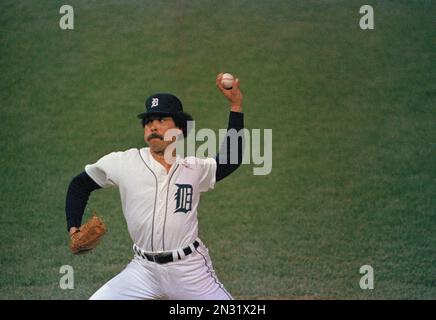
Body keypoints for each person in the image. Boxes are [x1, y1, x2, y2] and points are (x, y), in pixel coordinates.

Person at [65, 73, 244, 300]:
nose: (153, 126)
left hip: (189, 271)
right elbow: (79, 185)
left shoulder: (194, 167)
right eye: (149, 121)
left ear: (179, 129)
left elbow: (232, 158)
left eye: (161, 120)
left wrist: (236, 105)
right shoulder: (124, 162)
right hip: (143, 270)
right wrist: (74, 228)